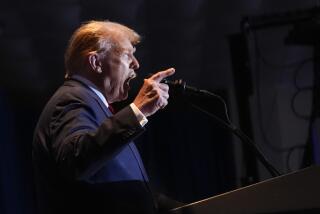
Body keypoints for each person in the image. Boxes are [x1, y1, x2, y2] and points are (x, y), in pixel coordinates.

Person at [32, 20, 176, 214]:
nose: (136, 64)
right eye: (127, 55)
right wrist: (137, 110)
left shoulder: (98, 106)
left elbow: (118, 188)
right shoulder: (71, 99)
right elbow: (76, 160)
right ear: (95, 62)